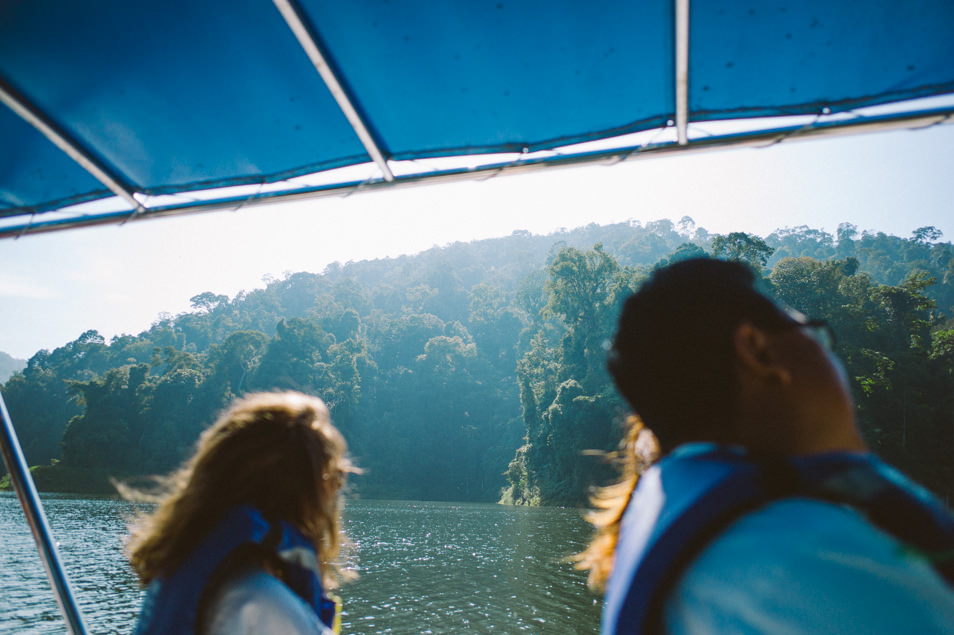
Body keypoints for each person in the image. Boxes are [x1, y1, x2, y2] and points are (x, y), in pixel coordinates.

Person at [577, 258, 954, 634]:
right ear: (758, 351)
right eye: (817, 335)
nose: (833, 359)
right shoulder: (810, 556)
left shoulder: (679, 515)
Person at [122, 391, 358, 635]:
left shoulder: (181, 572)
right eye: (334, 476)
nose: (336, 490)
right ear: (302, 491)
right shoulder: (262, 603)